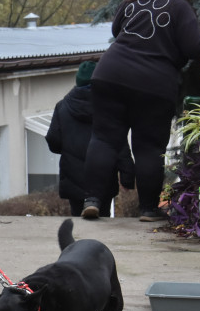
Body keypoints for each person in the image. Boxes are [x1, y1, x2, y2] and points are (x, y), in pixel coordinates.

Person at [82, 0, 200, 222]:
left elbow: (116, 30)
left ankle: (91, 200)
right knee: (148, 147)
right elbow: (195, 46)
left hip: (110, 74)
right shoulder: (180, 6)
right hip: (153, 85)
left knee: (103, 139)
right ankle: (149, 210)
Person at [46, 60, 135, 217]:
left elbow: (54, 141)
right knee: (104, 219)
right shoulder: (109, 108)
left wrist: (68, 148)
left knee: (77, 222)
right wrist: (127, 178)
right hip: (104, 177)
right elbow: (120, 144)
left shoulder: (62, 107)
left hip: (73, 178)